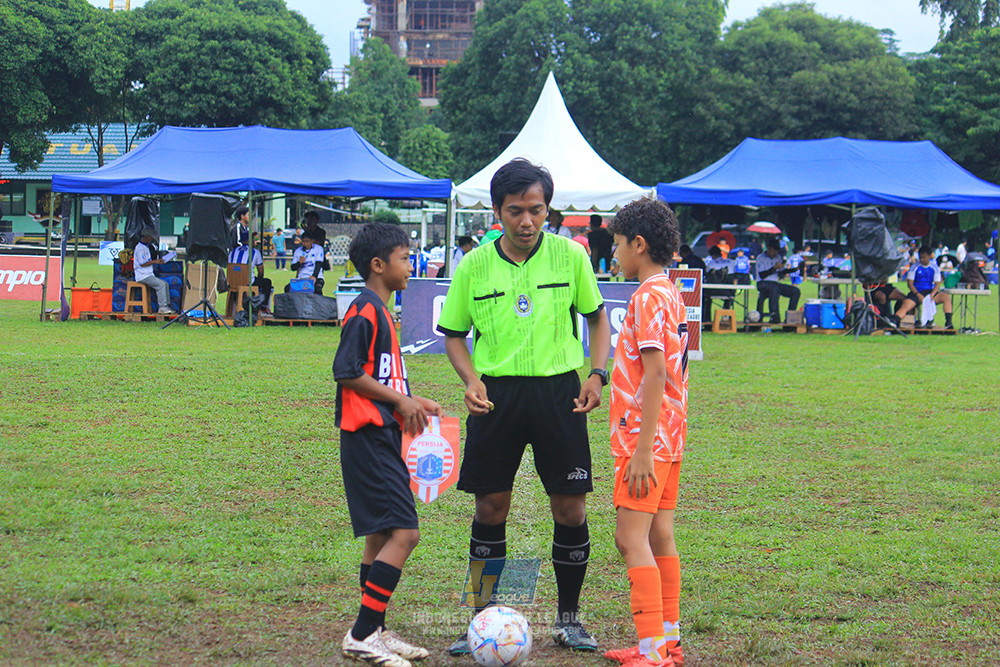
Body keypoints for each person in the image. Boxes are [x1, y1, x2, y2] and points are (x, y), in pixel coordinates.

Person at [436, 159, 611, 655]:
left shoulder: (571, 256)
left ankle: (569, 620)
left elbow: (598, 319)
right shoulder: (474, 265)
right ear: (496, 211)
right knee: (491, 506)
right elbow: (452, 335)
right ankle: (481, 621)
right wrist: (470, 380)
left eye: (536, 210)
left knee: (570, 507)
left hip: (560, 393)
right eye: (515, 211)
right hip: (497, 397)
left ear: (547, 208)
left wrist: (597, 374)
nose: (527, 221)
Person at [334, 222, 443, 666]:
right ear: (378, 265)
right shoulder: (365, 311)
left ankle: (374, 627)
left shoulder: (382, 312)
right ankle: (362, 634)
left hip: (383, 434)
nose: (410, 264)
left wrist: (410, 401)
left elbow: (377, 378)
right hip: (367, 438)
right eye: (404, 257)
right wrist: (399, 399)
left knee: (380, 534)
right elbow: (347, 370)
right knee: (405, 532)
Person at [601, 198, 688, 667]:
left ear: (639, 244)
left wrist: (640, 450)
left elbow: (655, 375)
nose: (614, 254)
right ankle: (666, 643)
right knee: (659, 536)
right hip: (670, 438)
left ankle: (652, 650)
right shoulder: (670, 291)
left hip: (646, 441)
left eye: (616, 245)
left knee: (629, 538)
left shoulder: (648, 296)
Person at [893, 245, 953, 329]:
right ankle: (895, 320)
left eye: (924, 258)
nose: (922, 260)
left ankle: (948, 322)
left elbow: (937, 284)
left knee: (946, 297)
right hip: (916, 292)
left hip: (929, 292)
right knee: (906, 305)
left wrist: (932, 294)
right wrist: (917, 294)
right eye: (920, 257)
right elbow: (910, 284)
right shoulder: (914, 267)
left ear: (929, 256)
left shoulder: (934, 268)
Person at [755, 238, 800, 324]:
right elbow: (762, 275)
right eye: (774, 251)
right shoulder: (760, 258)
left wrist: (793, 269)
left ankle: (790, 316)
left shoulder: (778, 257)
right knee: (774, 289)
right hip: (763, 283)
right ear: (769, 249)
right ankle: (774, 316)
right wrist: (774, 268)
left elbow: (781, 272)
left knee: (795, 291)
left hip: (774, 283)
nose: (776, 253)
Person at [132, 228, 175, 314]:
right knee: (161, 285)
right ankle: (162, 307)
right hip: (143, 275)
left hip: (148, 274)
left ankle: (167, 305)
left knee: (165, 284)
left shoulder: (146, 247)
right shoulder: (140, 248)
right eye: (150, 238)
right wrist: (155, 262)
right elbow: (142, 263)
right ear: (146, 237)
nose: (151, 240)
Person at [228, 242, 273, 313]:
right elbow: (261, 272)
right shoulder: (255, 252)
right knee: (267, 282)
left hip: (233, 283)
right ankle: (263, 307)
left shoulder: (232, 252)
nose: (255, 242)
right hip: (248, 282)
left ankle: (232, 308)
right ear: (249, 240)